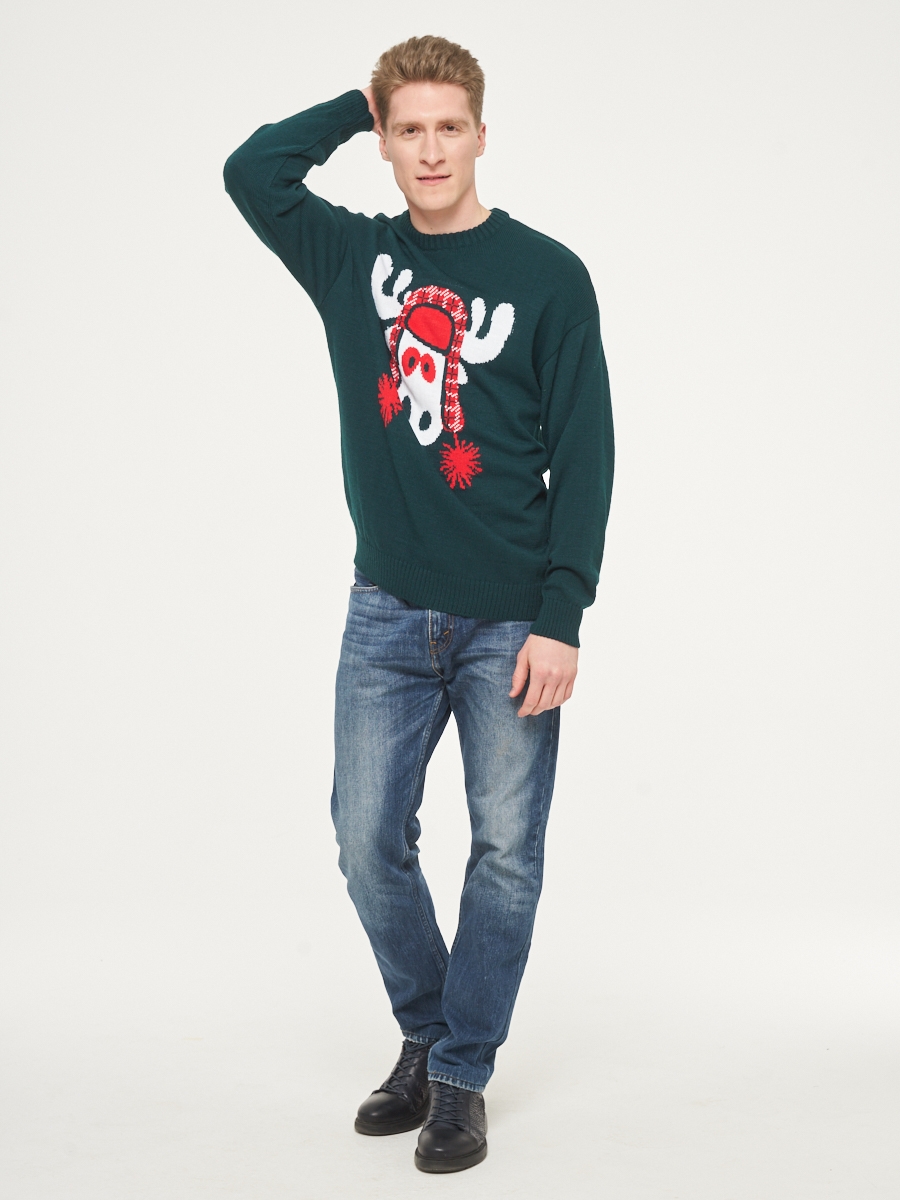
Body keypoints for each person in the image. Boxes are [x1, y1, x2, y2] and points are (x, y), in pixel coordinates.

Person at [223, 34, 614, 1174]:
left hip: (512, 621)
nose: (431, 149)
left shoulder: (550, 275)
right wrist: (358, 99)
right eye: (408, 129)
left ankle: (459, 1074)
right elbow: (252, 172)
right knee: (364, 840)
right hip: (387, 613)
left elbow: (586, 455)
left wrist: (562, 615)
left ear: (482, 136)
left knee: (506, 854)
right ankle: (430, 1032)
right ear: (385, 143)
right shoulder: (353, 258)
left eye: (450, 127)